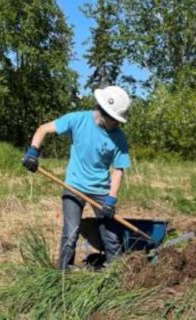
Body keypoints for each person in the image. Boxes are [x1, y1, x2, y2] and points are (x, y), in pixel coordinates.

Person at [22, 85, 132, 270]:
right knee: (70, 233)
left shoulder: (119, 138)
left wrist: (111, 199)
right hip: (75, 185)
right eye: (115, 120)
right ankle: (64, 274)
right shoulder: (77, 119)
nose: (118, 124)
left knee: (111, 237)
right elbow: (43, 129)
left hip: (101, 191)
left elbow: (118, 170)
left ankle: (117, 273)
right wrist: (33, 151)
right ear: (104, 112)